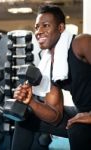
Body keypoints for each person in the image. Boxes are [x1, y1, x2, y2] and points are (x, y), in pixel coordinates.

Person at [11, 4, 91, 150]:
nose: (39, 32)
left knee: (78, 128)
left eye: (45, 25)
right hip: (82, 111)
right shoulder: (50, 64)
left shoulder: (81, 43)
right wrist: (31, 102)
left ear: (60, 28)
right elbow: (55, 116)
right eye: (36, 27)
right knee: (26, 117)